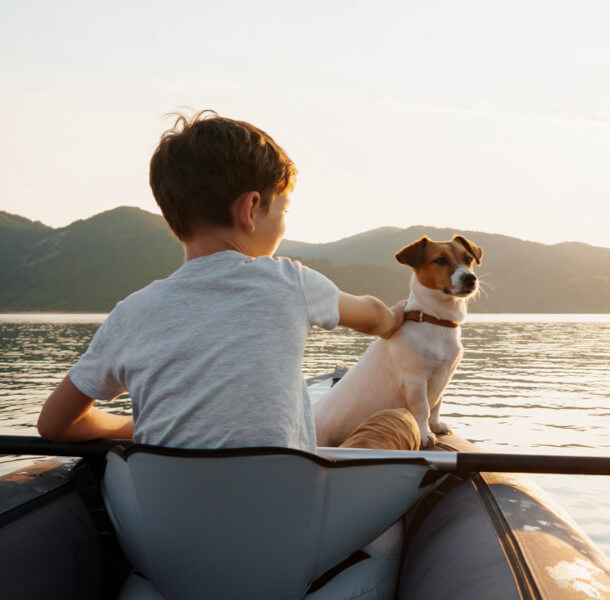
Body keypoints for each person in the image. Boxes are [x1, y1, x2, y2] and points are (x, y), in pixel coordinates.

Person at [36, 110, 420, 453]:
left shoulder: (130, 314)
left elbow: (55, 423)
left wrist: (129, 427)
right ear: (251, 209)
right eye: (283, 208)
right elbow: (370, 316)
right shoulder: (291, 282)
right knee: (397, 422)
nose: (285, 222)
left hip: (162, 528)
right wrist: (393, 319)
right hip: (287, 523)